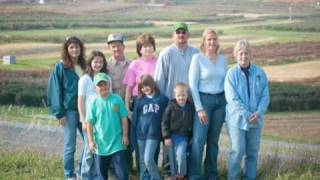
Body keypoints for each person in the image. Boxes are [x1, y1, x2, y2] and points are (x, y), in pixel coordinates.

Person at [154, 22, 198, 177]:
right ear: (173, 35)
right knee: (169, 143)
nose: (181, 35)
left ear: (188, 34)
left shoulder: (196, 53)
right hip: (171, 104)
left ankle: (184, 173)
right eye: (178, 32)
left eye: (183, 32)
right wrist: (163, 104)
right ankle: (168, 173)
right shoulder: (166, 53)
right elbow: (159, 81)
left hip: (191, 104)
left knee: (188, 141)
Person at [224, 39, 270, 180]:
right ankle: (233, 177)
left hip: (256, 119)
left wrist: (258, 112)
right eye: (240, 53)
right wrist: (247, 114)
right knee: (237, 151)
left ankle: (250, 177)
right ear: (236, 55)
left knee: (252, 152)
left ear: (251, 54)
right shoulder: (231, 74)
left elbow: (265, 95)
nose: (244, 56)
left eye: (246, 53)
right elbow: (232, 99)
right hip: (237, 120)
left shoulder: (260, 73)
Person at [188, 28, 228, 179]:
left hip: (220, 102)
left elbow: (226, 83)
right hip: (204, 101)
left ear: (217, 41)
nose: (212, 42)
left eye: (214, 39)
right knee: (199, 140)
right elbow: (192, 85)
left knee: (213, 142)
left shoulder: (223, 59)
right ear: (204, 42)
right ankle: (195, 175)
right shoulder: (197, 58)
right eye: (209, 39)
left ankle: (211, 174)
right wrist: (199, 108)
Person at [47, 36, 86, 180]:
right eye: (71, 47)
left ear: (81, 48)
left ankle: (83, 170)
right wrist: (59, 113)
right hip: (68, 112)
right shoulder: (61, 67)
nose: (75, 50)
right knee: (70, 146)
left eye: (77, 47)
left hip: (84, 111)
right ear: (67, 49)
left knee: (90, 142)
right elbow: (54, 90)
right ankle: (69, 175)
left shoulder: (84, 66)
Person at [86, 72, 129, 180]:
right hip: (100, 144)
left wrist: (125, 135)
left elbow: (124, 118)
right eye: (100, 85)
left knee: (122, 173)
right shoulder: (93, 103)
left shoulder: (117, 99)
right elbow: (89, 124)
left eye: (105, 84)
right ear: (95, 87)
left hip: (117, 142)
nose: (103, 87)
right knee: (101, 175)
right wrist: (91, 141)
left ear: (109, 85)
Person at [78, 50, 111, 180]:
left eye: (101, 62)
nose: (98, 64)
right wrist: (83, 120)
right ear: (90, 62)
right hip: (90, 121)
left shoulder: (106, 79)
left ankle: (97, 176)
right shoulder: (85, 79)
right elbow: (80, 101)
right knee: (89, 151)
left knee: (100, 150)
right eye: (95, 61)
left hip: (103, 121)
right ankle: (85, 176)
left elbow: (109, 98)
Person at [131, 74, 169, 180]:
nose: (144, 89)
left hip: (154, 135)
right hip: (141, 135)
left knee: (148, 159)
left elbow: (167, 118)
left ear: (152, 84)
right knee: (143, 163)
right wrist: (133, 136)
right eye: (142, 87)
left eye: (146, 85)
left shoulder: (162, 99)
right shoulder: (139, 100)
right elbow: (135, 119)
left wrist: (166, 135)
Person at [161, 83, 195, 180]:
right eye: (178, 96)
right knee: (170, 158)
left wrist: (191, 136)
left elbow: (192, 123)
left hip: (183, 138)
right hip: (170, 137)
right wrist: (166, 137)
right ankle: (171, 175)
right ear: (174, 96)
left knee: (181, 156)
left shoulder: (190, 108)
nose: (181, 98)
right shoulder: (170, 107)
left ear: (187, 95)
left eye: (183, 95)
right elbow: (164, 122)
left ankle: (181, 174)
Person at [107, 33, 130, 99]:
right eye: (113, 46)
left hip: (130, 105)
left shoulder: (132, 64)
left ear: (123, 46)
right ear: (109, 48)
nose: (116, 49)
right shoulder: (105, 66)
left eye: (118, 45)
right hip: (113, 105)